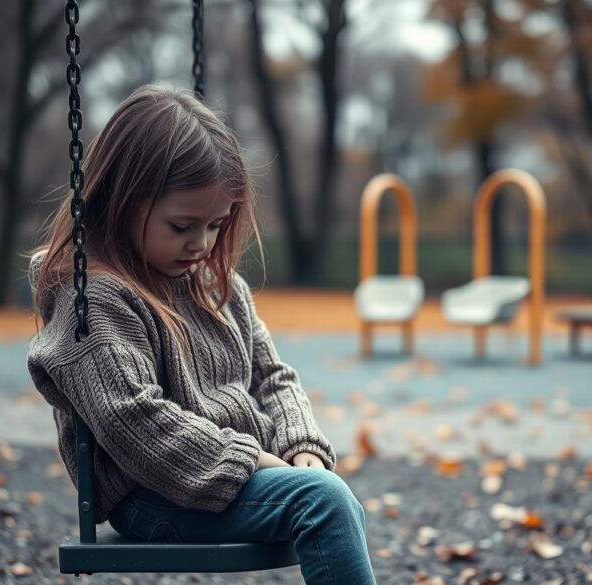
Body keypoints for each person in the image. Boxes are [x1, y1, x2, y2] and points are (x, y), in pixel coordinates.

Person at [25, 84, 376, 584]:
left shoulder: (217, 286)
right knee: (325, 502)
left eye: (216, 224)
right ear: (121, 200)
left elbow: (271, 376)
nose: (202, 243)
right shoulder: (96, 299)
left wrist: (302, 446)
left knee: (328, 493)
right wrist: (253, 459)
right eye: (182, 225)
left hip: (237, 473)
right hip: (153, 494)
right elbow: (133, 418)